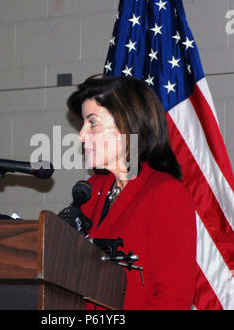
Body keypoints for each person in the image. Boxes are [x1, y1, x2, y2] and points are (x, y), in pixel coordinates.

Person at [66, 75, 197, 310]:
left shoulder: (165, 194)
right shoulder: (90, 190)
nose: (82, 135)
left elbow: (174, 299)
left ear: (126, 125)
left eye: (92, 122)